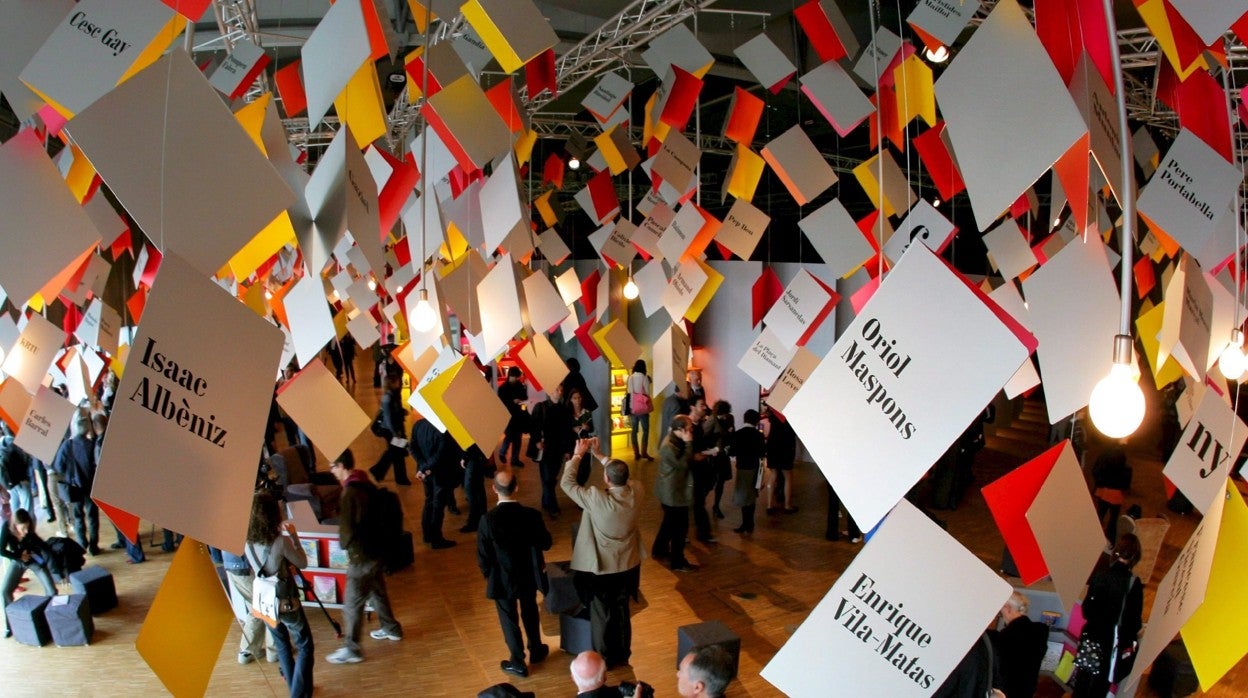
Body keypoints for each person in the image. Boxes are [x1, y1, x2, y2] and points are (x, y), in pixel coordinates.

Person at [562, 438, 642, 668]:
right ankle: (623, 653)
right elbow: (621, 475)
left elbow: (567, 484)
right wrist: (600, 456)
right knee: (622, 610)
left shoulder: (597, 498)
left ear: (606, 478)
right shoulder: (637, 491)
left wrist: (578, 455)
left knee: (600, 613)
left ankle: (603, 656)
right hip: (627, 563)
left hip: (601, 566)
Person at [326, 449, 404, 664]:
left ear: (342, 465)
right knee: (377, 591)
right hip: (378, 550)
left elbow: (347, 531)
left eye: (332, 466)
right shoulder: (363, 480)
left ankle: (352, 648)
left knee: (352, 602)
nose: (331, 471)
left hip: (363, 555)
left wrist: (343, 545)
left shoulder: (350, 492)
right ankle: (391, 628)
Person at [477, 470, 552, 678]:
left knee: (508, 618)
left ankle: (517, 660)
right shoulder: (531, 515)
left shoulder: (488, 519)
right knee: (530, 610)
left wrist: (488, 574)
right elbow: (546, 543)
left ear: (494, 489)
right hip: (528, 574)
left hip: (502, 577)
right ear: (516, 488)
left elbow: (483, 555)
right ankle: (536, 649)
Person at [244, 491, 314, 697]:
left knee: (282, 646)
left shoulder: (246, 541)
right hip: (285, 602)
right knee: (305, 645)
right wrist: (294, 536)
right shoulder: (280, 542)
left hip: (264, 602)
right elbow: (303, 562)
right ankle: (298, 694)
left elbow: (265, 568)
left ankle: (297, 689)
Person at [1072, 533, 1144, 698]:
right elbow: (1134, 622)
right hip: (1112, 644)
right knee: (1100, 686)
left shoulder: (1100, 575)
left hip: (1091, 637)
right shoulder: (1133, 583)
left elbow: (1087, 610)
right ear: (1135, 557)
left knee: (1083, 682)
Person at [1, 509, 57, 639]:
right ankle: (10, 625)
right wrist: (19, 556)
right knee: (4, 591)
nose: (26, 531)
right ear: (15, 525)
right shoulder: (6, 527)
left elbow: (43, 547)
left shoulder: (30, 532)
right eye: (23, 528)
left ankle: (51, 621)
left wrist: (56, 567)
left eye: (28, 527)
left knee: (51, 591)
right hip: (18, 561)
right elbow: (2, 551)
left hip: (33, 560)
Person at [51, 413, 100, 555]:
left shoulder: (67, 445)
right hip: (91, 486)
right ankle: (93, 546)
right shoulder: (91, 445)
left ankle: (82, 543)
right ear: (87, 430)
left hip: (73, 487)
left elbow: (58, 466)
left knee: (78, 516)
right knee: (92, 517)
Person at [653, 415, 696, 572]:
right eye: (690, 428)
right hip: (673, 493)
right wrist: (689, 443)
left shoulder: (673, 441)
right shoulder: (669, 447)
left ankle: (659, 550)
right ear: (681, 430)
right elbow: (683, 464)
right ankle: (677, 562)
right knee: (680, 528)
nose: (692, 431)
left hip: (673, 491)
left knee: (669, 524)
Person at [409, 417, 459, 548]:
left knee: (428, 501)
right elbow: (441, 454)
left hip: (425, 473)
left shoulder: (418, 424)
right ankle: (436, 539)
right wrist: (428, 467)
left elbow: (413, 447)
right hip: (439, 474)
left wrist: (422, 466)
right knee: (438, 506)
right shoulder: (443, 430)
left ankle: (427, 535)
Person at [989, 592, 1048, 698]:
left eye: (1000, 612)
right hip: (1027, 690)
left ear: (1008, 608)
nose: (1001, 615)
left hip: (1007, 692)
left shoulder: (1004, 638)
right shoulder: (1040, 632)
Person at [530, 384, 575, 519]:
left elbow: (567, 431)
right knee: (549, 478)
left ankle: (546, 501)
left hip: (558, 448)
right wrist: (537, 440)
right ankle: (552, 506)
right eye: (557, 389)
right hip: (546, 448)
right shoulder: (541, 407)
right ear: (550, 392)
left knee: (551, 477)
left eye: (561, 390)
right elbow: (534, 426)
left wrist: (568, 450)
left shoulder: (565, 409)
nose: (560, 392)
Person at [369, 373, 412, 486]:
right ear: (392, 383)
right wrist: (395, 433)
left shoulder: (393, 395)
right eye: (397, 381)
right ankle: (383, 472)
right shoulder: (388, 397)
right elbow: (388, 418)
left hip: (395, 429)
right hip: (391, 431)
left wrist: (402, 411)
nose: (399, 382)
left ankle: (382, 472)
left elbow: (394, 411)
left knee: (396, 452)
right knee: (395, 453)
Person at [731, 409, 765, 535]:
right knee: (751, 497)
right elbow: (762, 456)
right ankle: (749, 524)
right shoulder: (759, 435)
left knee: (744, 498)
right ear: (757, 421)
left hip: (742, 469)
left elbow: (732, 452)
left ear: (745, 419)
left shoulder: (738, 434)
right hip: (755, 468)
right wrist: (761, 477)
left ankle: (745, 524)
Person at [1091, 441, 1132, 543]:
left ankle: (1094, 535)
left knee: (1100, 514)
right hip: (1116, 496)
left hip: (1104, 492)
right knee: (1113, 519)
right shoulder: (1127, 469)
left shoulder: (1106, 464)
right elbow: (1126, 485)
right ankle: (1110, 539)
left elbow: (1097, 473)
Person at [763, 407, 798, 514]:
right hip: (786, 446)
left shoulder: (773, 413)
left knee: (773, 474)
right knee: (787, 476)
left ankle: (769, 506)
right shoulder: (792, 414)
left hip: (772, 445)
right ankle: (787, 506)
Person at [705, 400, 734, 520]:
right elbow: (704, 437)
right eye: (723, 414)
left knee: (721, 482)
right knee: (709, 483)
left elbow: (732, 434)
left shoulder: (729, 418)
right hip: (714, 455)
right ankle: (699, 504)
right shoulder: (712, 420)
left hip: (723, 454)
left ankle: (716, 506)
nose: (725, 416)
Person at [497, 366, 529, 467]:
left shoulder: (520, 386)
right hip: (508, 416)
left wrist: (523, 404)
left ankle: (515, 459)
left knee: (518, 438)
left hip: (518, 415)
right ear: (511, 376)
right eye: (516, 377)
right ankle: (502, 453)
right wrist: (513, 402)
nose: (517, 379)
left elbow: (524, 398)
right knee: (509, 436)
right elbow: (501, 403)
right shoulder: (502, 388)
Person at [626, 360, 653, 461]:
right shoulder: (644, 377)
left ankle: (636, 453)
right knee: (645, 430)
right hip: (643, 408)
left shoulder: (630, 377)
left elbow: (629, 392)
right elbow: (647, 392)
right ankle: (644, 452)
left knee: (634, 431)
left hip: (633, 407)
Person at [569, 388, 595, 485]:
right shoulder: (568, 413)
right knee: (575, 466)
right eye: (575, 398)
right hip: (572, 444)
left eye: (579, 398)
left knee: (586, 467)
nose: (577, 400)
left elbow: (591, 428)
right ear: (571, 399)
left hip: (584, 443)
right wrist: (572, 429)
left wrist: (587, 427)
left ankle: (581, 484)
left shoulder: (587, 412)